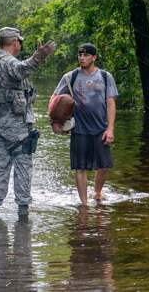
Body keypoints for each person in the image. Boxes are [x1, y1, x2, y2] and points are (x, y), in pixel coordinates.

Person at [0, 27, 56, 218]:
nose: (20, 45)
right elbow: (21, 70)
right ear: (14, 42)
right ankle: (23, 214)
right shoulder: (8, 62)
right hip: (17, 128)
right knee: (23, 166)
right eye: (19, 42)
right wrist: (38, 57)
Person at [51, 43, 118, 205]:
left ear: (94, 57)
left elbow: (110, 103)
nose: (82, 58)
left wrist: (110, 129)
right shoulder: (70, 77)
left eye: (86, 55)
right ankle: (84, 204)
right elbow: (54, 99)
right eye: (80, 55)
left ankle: (97, 192)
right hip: (79, 129)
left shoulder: (105, 76)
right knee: (79, 168)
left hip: (100, 128)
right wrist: (54, 121)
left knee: (103, 167)